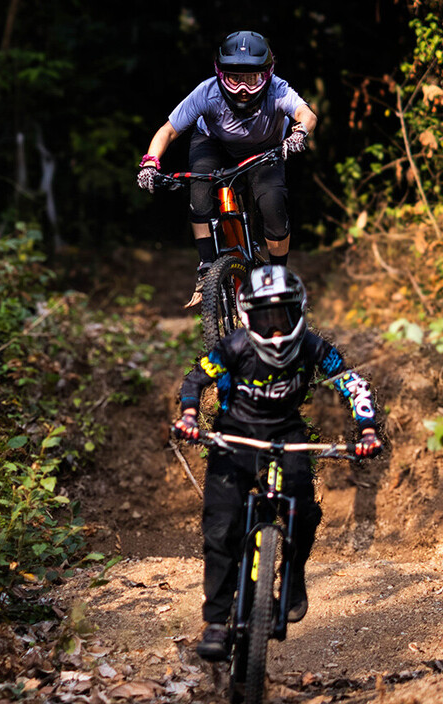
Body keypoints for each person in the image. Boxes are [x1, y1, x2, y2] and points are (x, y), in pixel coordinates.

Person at [169, 264, 382, 662]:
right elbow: (196, 378)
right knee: (220, 527)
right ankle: (216, 621)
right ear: (247, 318)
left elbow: (353, 382)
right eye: (265, 321)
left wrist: (367, 430)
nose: (276, 332)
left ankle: (294, 573)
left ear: (299, 312)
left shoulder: (314, 347)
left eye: (282, 317)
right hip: (234, 437)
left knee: (302, 512)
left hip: (287, 438)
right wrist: (189, 416)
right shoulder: (234, 347)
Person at [135, 31, 316, 306]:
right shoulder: (207, 92)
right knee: (199, 191)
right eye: (234, 78)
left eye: (252, 78)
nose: (243, 88)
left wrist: (299, 132)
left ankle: (278, 276)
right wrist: (150, 162)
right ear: (220, 74)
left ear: (267, 73)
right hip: (213, 145)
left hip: (264, 151)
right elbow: (168, 131)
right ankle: (207, 264)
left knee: (273, 207)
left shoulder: (278, 89)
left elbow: (307, 114)